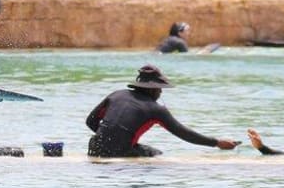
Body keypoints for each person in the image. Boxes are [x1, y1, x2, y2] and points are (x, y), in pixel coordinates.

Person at [86, 65, 240, 157]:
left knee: (140, 149)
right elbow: (183, 133)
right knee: (157, 156)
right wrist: (217, 143)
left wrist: (109, 136)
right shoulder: (155, 109)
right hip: (120, 153)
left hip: (94, 147)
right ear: (152, 89)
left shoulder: (116, 94)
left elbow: (90, 121)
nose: (161, 92)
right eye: (160, 89)